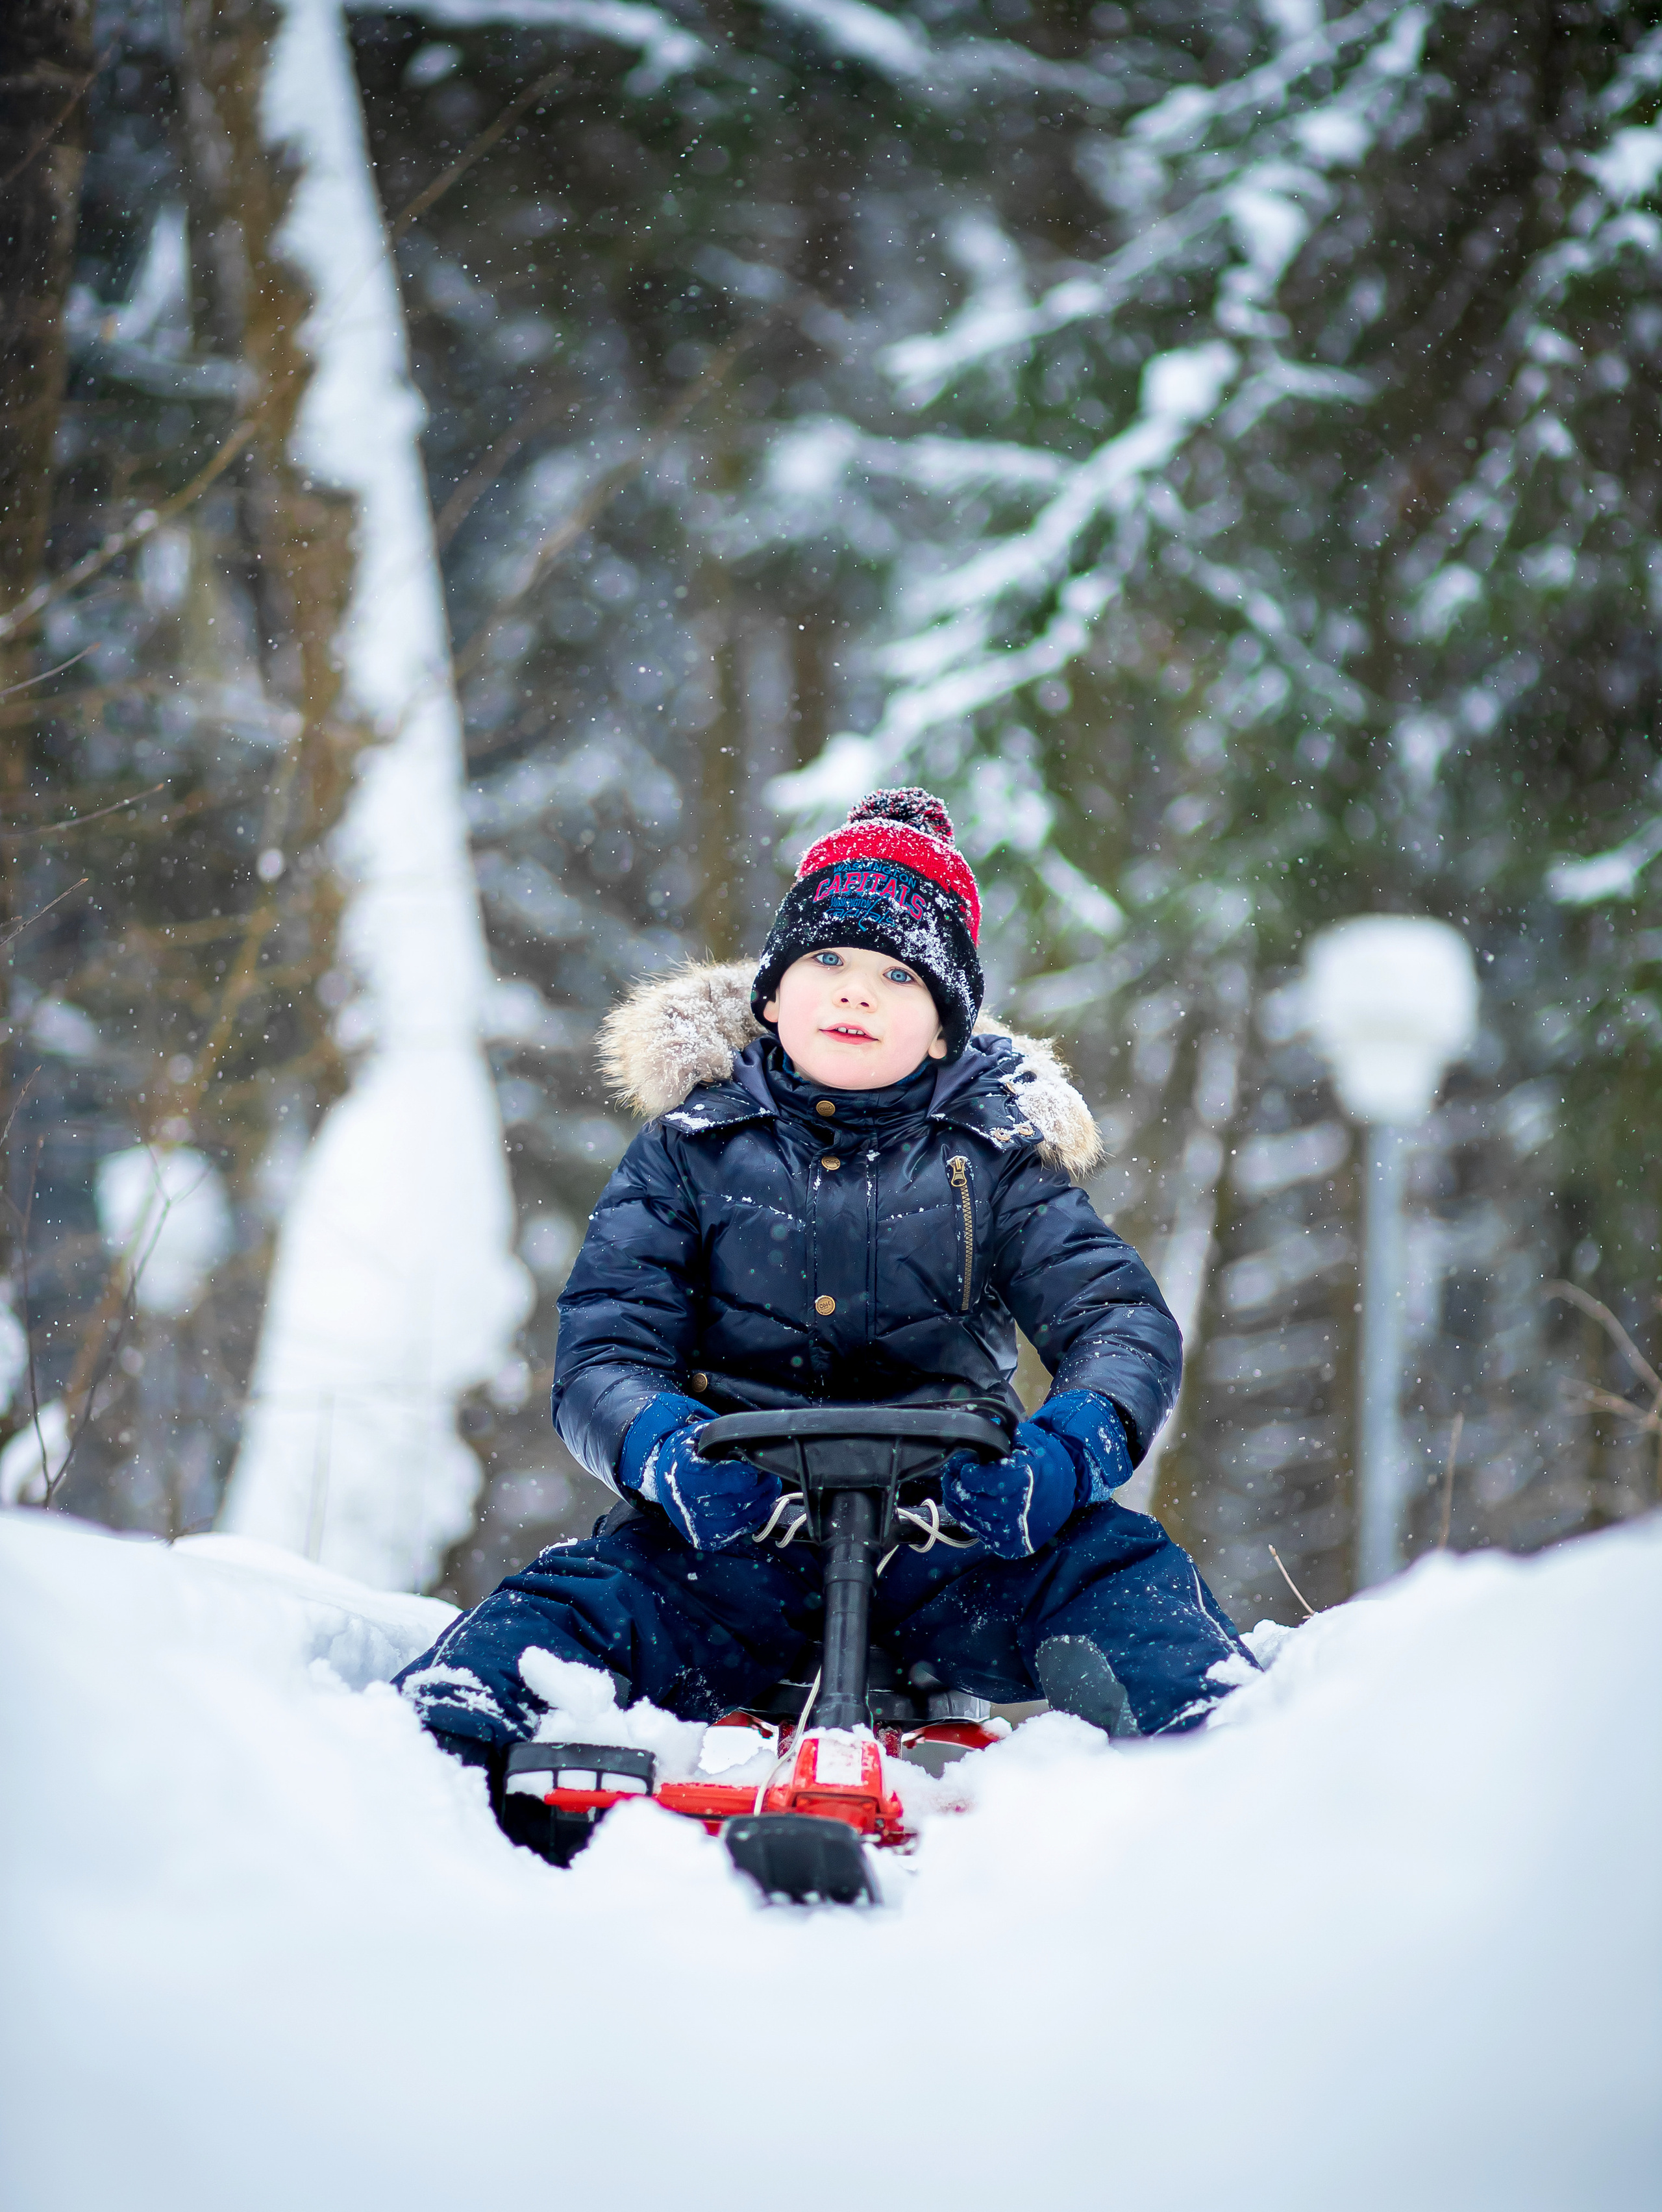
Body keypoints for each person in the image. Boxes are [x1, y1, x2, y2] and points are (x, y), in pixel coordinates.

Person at [395, 789, 1253, 1832]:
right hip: (732, 1536)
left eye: (900, 977)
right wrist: (663, 1448)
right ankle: (431, 1772)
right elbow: (605, 1347)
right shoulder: (689, 1152)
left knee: (1117, 1572)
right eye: (828, 964)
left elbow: (1119, 1323)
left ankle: (1233, 1769)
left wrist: (1063, 1456)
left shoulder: (994, 1164)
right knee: (577, 1600)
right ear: (771, 996)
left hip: (954, 1545)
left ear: (943, 1030)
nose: (858, 995)